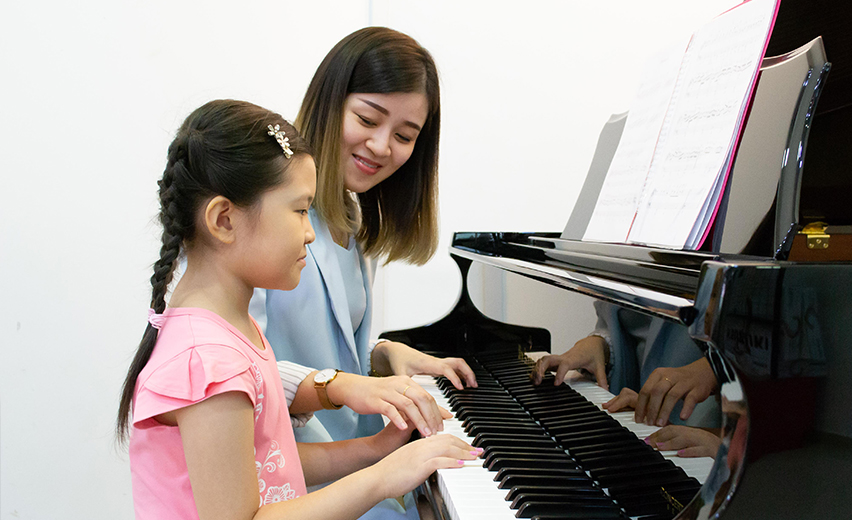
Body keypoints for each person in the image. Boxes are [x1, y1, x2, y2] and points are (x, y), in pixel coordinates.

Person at [116, 100, 479, 520]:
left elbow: (273, 464)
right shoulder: (207, 363)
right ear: (224, 220)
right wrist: (383, 477)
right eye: (300, 210)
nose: (310, 233)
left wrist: (374, 451)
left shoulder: (231, 331)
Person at [251, 27, 477, 450]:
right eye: (367, 119)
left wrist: (383, 355)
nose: (380, 145)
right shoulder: (261, 209)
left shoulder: (352, 216)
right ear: (329, 102)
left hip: (347, 457)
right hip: (292, 466)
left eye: (405, 136)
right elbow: (240, 372)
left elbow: (326, 351)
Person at [531, 300, 720, 429]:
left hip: (707, 428)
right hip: (640, 413)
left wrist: (716, 367)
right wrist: (601, 344)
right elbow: (631, 324)